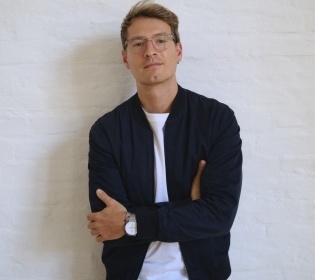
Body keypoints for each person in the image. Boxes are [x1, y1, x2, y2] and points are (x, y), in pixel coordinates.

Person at [87, 1, 242, 279]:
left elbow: (219, 215)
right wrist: (192, 207)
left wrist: (131, 221)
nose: (150, 51)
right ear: (125, 58)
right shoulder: (107, 131)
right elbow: (107, 225)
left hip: (204, 273)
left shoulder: (216, 119)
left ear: (178, 51)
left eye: (161, 40)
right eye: (138, 44)